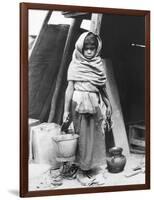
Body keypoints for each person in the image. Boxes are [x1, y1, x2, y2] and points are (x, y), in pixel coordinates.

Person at [63, 31, 112, 185]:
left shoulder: (98, 64)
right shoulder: (75, 64)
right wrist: (65, 111)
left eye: (92, 47)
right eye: (87, 48)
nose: (90, 51)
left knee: (97, 136)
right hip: (79, 104)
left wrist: (108, 104)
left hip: (95, 103)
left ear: (97, 49)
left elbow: (102, 88)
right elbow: (69, 89)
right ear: (80, 48)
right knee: (83, 137)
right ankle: (83, 171)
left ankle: (91, 168)